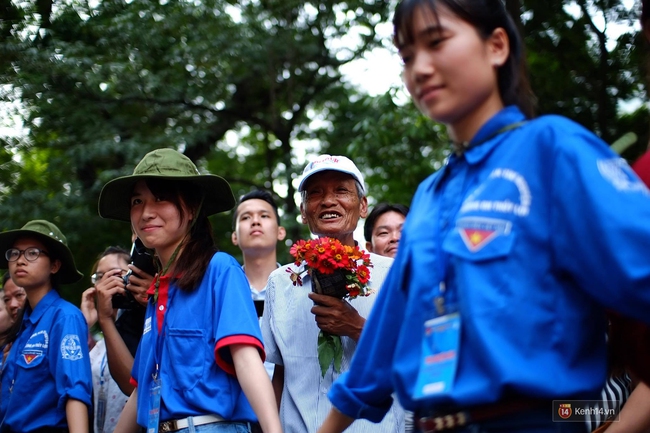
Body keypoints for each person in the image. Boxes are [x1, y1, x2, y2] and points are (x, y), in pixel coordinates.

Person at [317, 1, 650, 433]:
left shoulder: (553, 148)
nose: (419, 67)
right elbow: (383, 341)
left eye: (436, 42)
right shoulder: (430, 195)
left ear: (496, 46)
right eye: (406, 55)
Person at [98, 148, 282, 433]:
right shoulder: (157, 291)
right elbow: (143, 389)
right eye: (137, 201)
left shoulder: (219, 268)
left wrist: (274, 431)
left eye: (161, 198)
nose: (146, 212)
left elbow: (246, 360)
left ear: (192, 208)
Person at [260, 154, 404, 433]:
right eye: (315, 193)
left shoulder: (395, 274)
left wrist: (358, 327)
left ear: (362, 206)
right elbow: (279, 371)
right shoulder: (280, 282)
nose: (328, 201)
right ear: (303, 210)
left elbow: (415, 356)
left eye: (341, 190)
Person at [0, 219, 92, 433]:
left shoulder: (65, 317)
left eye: (32, 253)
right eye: (14, 253)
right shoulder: (22, 327)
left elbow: (74, 391)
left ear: (54, 265)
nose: (20, 261)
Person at [80, 246, 145, 433]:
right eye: (100, 276)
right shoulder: (98, 344)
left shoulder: (143, 322)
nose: (107, 281)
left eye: (115, 273)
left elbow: (131, 385)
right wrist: (85, 324)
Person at [231, 189, 286, 379]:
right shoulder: (221, 291)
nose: (255, 221)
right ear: (234, 237)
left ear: (281, 232)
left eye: (264, 215)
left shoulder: (300, 288)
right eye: (246, 217)